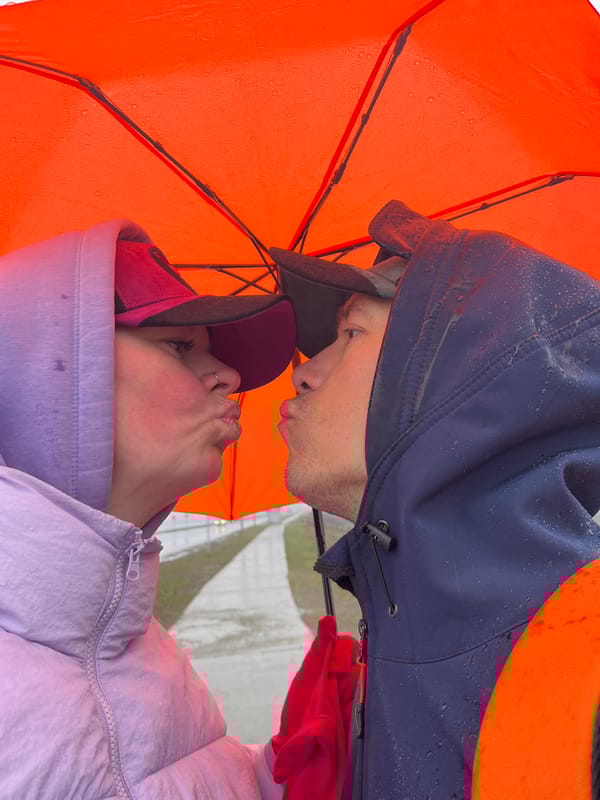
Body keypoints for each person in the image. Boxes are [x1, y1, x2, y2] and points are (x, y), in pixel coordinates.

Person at [270, 199, 600, 799]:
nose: (303, 373)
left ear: (455, 376)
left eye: (350, 332)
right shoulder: (400, 629)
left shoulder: (585, 662)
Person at [0, 218, 296, 799]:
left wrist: (287, 772)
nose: (231, 378)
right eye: (179, 346)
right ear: (53, 372)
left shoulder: (133, 638)